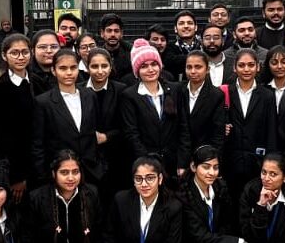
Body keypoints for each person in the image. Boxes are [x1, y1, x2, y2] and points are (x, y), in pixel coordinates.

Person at [32, 49, 104, 187]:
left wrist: (100, 164)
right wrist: (44, 176)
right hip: (60, 173)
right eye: (63, 68)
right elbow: (38, 144)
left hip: (92, 171)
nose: (69, 73)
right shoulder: (43, 102)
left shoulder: (90, 95)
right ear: (53, 70)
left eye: (73, 67)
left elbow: (96, 129)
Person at [223, 49, 278, 205]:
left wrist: (269, 163)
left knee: (255, 204)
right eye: (241, 65)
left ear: (258, 67)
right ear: (234, 68)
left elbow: (271, 131)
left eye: (251, 65)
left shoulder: (267, 95)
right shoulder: (225, 92)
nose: (246, 69)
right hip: (230, 162)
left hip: (256, 162)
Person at [0, 33, 36, 205]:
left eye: (25, 52)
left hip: (40, 161)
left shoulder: (37, 82)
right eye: (14, 53)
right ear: (4, 55)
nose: (20, 57)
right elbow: (4, 136)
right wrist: (18, 176)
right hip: (18, 167)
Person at [119, 40, 180, 174]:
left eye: (154, 64)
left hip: (173, 162)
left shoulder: (174, 90)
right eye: (144, 66)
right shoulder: (129, 95)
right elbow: (131, 133)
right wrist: (147, 162)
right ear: (137, 70)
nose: (150, 69)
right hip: (144, 164)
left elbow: (182, 127)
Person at [82, 47, 129, 195]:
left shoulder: (122, 90)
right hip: (86, 159)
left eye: (104, 66)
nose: (100, 71)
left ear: (110, 66)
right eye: (94, 66)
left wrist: (107, 137)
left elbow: (127, 125)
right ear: (87, 67)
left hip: (114, 157)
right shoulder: (78, 90)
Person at [176, 50, 227, 172]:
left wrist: (211, 163)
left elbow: (217, 134)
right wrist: (182, 162)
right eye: (189, 67)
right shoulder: (178, 90)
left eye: (198, 67)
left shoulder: (216, 95)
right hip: (179, 156)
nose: (193, 71)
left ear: (207, 69)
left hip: (204, 158)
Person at [164, 11, 202, 80]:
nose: (186, 26)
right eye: (181, 23)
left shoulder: (204, 46)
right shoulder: (168, 48)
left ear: (196, 27)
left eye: (190, 23)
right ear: (175, 29)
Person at [99, 13, 133, 83]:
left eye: (116, 31)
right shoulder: (98, 55)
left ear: (121, 33)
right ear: (102, 33)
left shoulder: (131, 55)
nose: (113, 34)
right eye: (109, 31)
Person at [28, 29, 61, 95]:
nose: (49, 51)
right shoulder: (26, 77)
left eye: (54, 47)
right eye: (42, 47)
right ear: (33, 51)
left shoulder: (70, 72)